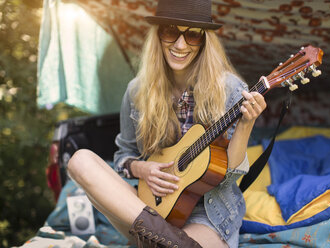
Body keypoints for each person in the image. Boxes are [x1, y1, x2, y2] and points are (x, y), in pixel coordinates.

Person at [67, 0, 267, 247]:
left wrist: (247, 124)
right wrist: (142, 170)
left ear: (204, 40)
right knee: (80, 160)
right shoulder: (137, 91)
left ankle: (157, 241)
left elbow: (230, 175)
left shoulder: (230, 89)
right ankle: (166, 240)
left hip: (207, 214)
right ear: (158, 35)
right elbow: (124, 156)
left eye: (192, 35)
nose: (180, 44)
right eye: (171, 31)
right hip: (148, 208)